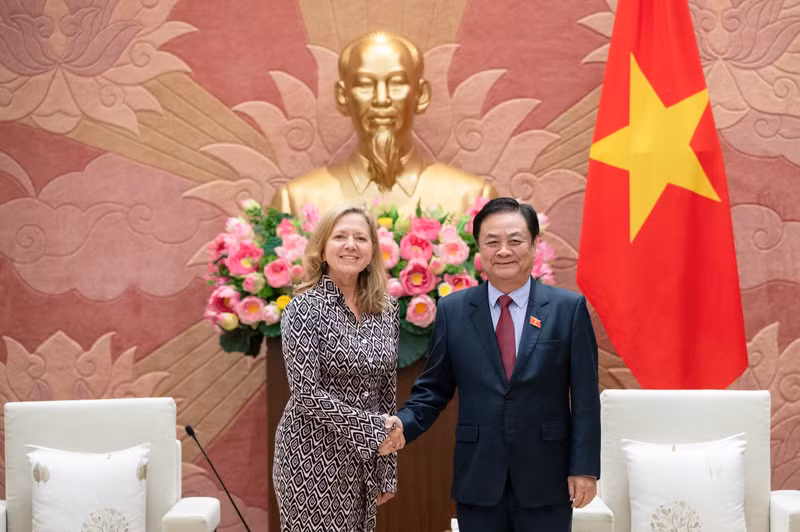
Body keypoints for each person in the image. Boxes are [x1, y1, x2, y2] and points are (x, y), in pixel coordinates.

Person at [381, 197, 600, 531]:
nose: (503, 251)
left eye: (515, 240)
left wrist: (584, 468)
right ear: (479, 249)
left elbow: (585, 398)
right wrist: (403, 425)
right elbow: (433, 390)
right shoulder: (454, 310)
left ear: (534, 245)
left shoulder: (567, 309)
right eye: (492, 242)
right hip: (479, 476)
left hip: (547, 477)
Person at [271, 31, 496, 217]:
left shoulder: (472, 200)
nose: (381, 99)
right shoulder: (296, 202)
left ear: (421, 95)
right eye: (365, 84)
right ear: (342, 97)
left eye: (396, 83)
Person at [273, 203, 399, 532]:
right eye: (340, 236)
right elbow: (305, 392)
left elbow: (386, 390)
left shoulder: (386, 309)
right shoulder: (303, 308)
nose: (350, 245)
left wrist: (388, 467)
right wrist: (373, 428)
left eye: (361, 238)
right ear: (322, 248)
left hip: (365, 457)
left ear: (372, 250)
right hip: (310, 455)